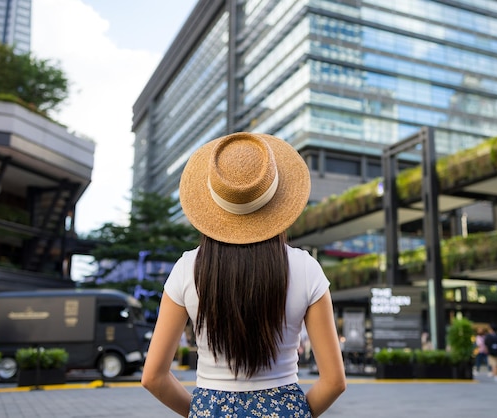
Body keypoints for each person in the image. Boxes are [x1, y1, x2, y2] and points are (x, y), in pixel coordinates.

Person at [141, 132, 346, 417]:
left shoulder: (186, 268)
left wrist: (202, 412)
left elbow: (153, 377)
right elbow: (334, 381)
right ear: (278, 200)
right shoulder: (306, 267)